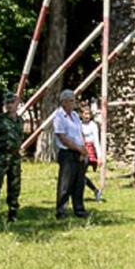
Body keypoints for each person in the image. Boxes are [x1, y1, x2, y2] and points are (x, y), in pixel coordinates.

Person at [0, 92, 24, 227]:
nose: (10, 105)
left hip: (15, 158)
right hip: (0, 158)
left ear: (17, 104)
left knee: (14, 186)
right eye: (7, 103)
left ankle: (12, 214)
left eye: (12, 102)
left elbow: (19, 137)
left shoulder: (20, 121)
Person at [52, 90, 89, 219]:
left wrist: (83, 149)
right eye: (72, 101)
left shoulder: (74, 115)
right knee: (65, 183)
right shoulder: (59, 116)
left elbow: (80, 133)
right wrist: (78, 148)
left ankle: (79, 209)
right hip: (67, 153)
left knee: (79, 182)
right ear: (64, 102)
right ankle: (61, 210)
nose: (74, 103)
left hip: (79, 152)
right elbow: (63, 138)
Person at [80, 106, 104, 201]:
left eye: (88, 114)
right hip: (79, 149)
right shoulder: (78, 125)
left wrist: (99, 157)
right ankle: (95, 190)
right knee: (79, 174)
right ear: (81, 115)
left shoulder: (93, 126)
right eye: (85, 114)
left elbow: (96, 142)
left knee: (81, 174)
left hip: (89, 151)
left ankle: (94, 191)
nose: (87, 116)